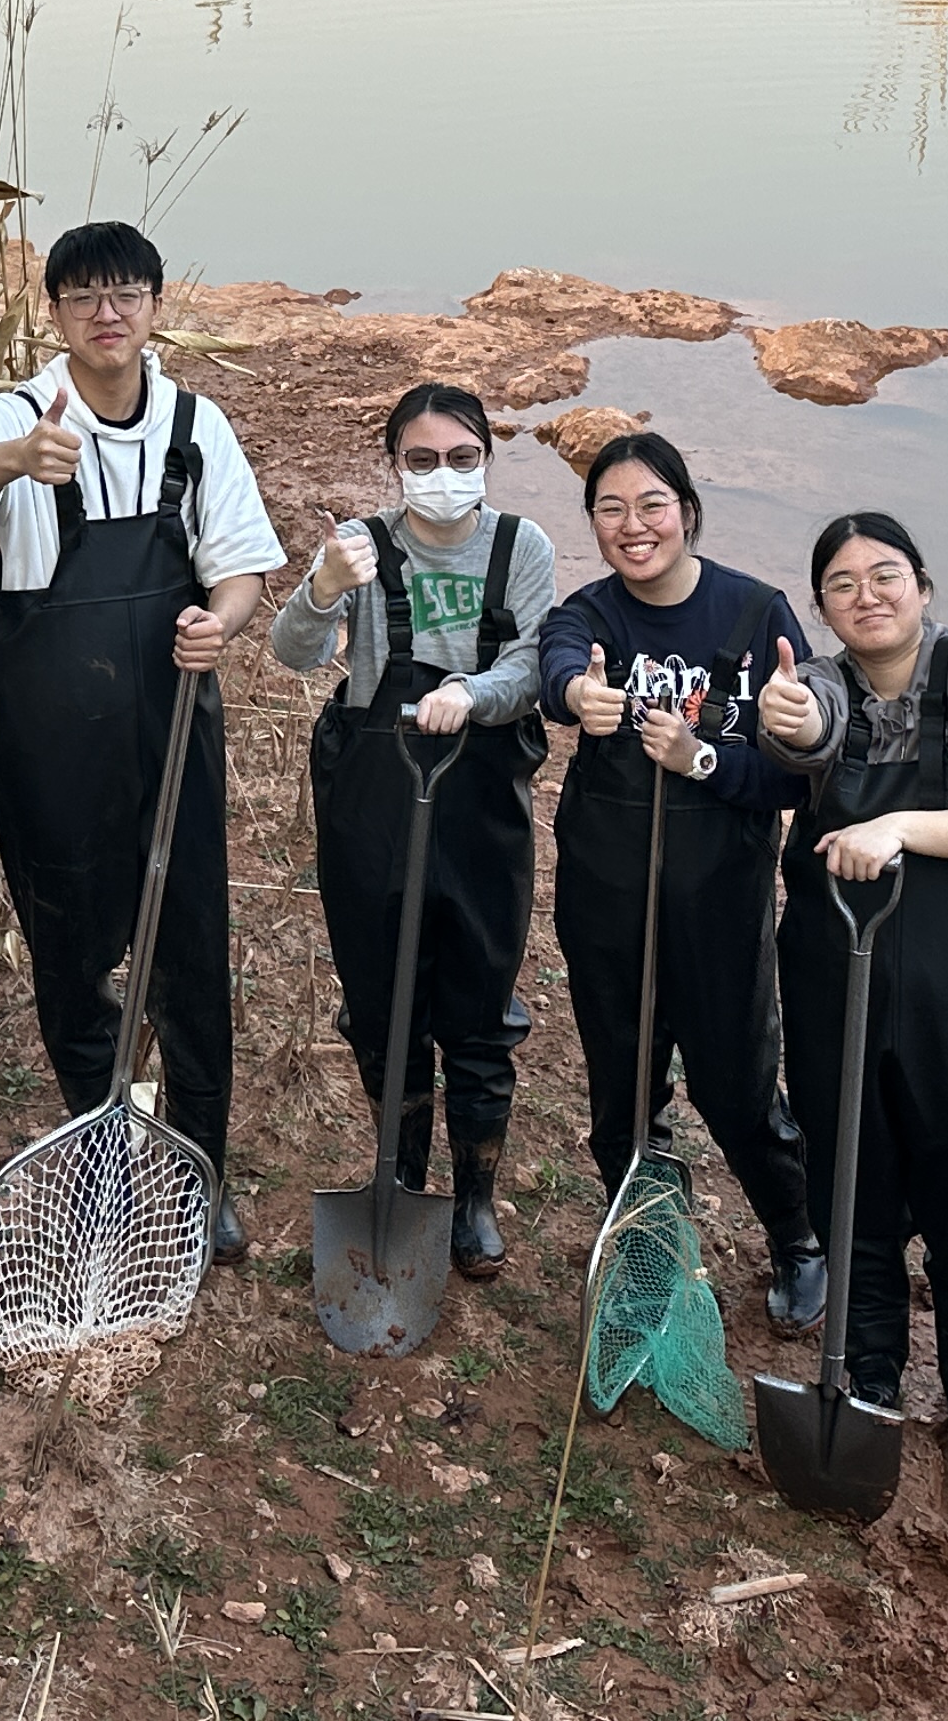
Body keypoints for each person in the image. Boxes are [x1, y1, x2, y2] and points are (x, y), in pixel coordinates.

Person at [0, 220, 279, 1261]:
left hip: (171, 732)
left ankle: (198, 1162)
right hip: (54, 744)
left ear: (155, 307)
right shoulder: (22, 411)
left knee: (190, 950)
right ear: (58, 313)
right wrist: (13, 458)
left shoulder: (195, 427)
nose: (107, 313)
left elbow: (244, 561)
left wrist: (224, 619)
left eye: (125, 293)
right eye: (84, 297)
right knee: (72, 949)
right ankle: (101, 1145)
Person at [763, 512, 948, 1509]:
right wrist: (788, 731)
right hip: (836, 987)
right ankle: (875, 1378)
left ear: (923, 585)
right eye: (841, 585)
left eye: (884, 575)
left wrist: (895, 824)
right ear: (823, 609)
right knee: (854, 1188)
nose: (867, 596)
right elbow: (809, 737)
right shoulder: (820, 687)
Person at [535, 430, 831, 1333]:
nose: (634, 527)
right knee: (620, 1093)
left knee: (737, 1088)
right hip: (605, 900)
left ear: (688, 512)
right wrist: (578, 699)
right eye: (611, 510)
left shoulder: (757, 616)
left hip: (720, 905)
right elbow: (559, 671)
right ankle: (648, 1240)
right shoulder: (590, 617)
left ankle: (798, 1238)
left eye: (652, 505)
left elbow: (798, 774)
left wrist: (705, 758)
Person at [269, 381, 557, 1277]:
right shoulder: (361, 544)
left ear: (486, 459)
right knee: (383, 990)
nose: (442, 476)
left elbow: (535, 659)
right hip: (372, 790)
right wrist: (321, 589)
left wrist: (469, 693)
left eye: (461, 459)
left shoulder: (521, 547)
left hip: (479, 792)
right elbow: (295, 652)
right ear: (395, 464)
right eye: (421, 461)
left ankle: (473, 1192)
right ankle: (399, 1171)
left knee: (476, 990)